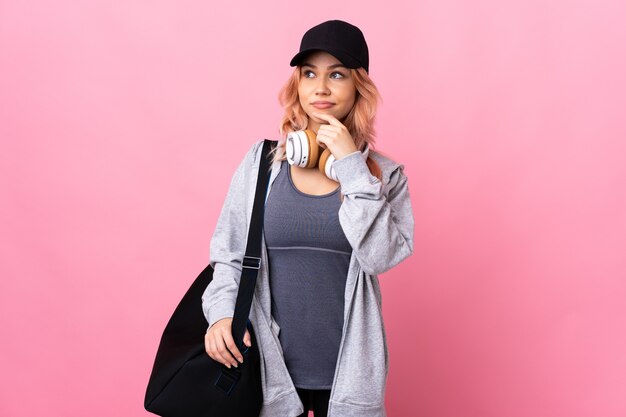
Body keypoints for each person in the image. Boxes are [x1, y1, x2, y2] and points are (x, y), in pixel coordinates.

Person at [202, 20, 415, 417]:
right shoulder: (261, 164)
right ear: (296, 85)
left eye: (337, 74)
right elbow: (229, 254)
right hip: (266, 368)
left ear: (358, 87)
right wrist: (221, 316)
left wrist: (353, 168)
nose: (320, 87)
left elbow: (380, 257)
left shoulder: (384, 177)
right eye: (309, 74)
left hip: (349, 373)